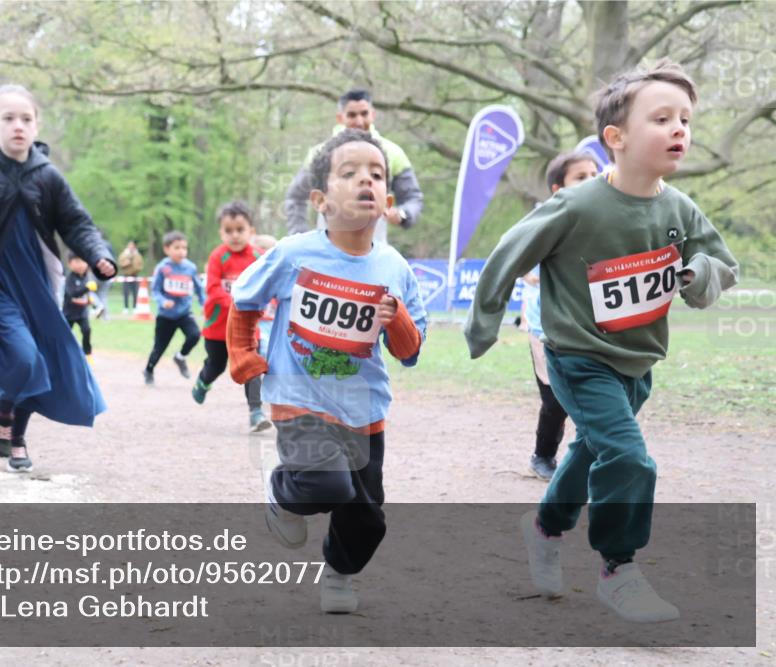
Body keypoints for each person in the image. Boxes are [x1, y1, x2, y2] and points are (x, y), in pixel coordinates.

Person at [464, 60, 738, 623]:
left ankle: (544, 526)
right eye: (661, 118)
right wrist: (484, 324)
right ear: (616, 138)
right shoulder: (576, 204)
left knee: (593, 449)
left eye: (685, 118)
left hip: (637, 361)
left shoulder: (679, 209)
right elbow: (507, 256)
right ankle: (619, 569)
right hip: (578, 356)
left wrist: (695, 275)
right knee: (629, 456)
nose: (679, 129)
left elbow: (722, 265)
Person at [228, 129, 427, 614]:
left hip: (364, 409)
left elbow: (410, 351)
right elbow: (245, 301)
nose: (366, 180)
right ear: (320, 199)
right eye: (350, 172)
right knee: (325, 484)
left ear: (387, 200)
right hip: (299, 398)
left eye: (376, 175)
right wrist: (242, 354)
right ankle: (282, 493)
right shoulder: (295, 253)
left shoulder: (394, 267)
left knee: (367, 518)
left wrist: (395, 317)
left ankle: (339, 574)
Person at [0, 84, 115, 474]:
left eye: (26, 119)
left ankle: (13, 434)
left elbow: (76, 223)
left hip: (39, 281)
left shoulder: (47, 175)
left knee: (42, 358)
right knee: (25, 356)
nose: (18, 126)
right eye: (9, 118)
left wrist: (99, 254)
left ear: (37, 125)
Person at [523, 152, 600, 480]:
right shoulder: (543, 220)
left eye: (595, 174)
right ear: (558, 188)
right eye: (580, 177)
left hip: (589, 325)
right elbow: (519, 261)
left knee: (597, 394)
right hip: (546, 328)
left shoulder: (604, 220)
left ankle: (596, 458)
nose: (591, 181)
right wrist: (534, 271)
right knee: (556, 400)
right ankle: (543, 456)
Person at [283, 89, 423, 245]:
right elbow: (295, 197)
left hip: (375, 250)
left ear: (373, 114)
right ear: (340, 117)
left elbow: (413, 197)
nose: (359, 121)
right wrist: (299, 237)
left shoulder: (393, 153)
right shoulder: (320, 153)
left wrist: (403, 214)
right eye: (352, 115)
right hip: (327, 251)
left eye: (364, 114)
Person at [191, 202, 272, 433]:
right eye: (229, 231)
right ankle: (203, 381)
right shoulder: (218, 257)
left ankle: (256, 413)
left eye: (240, 229)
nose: (235, 235)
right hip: (218, 326)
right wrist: (238, 304)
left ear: (251, 231)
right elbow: (214, 289)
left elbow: (267, 282)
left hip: (247, 326)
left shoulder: (259, 256)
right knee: (216, 365)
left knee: (251, 364)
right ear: (221, 232)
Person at [143, 231, 204, 386]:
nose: (181, 251)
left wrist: (205, 305)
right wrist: (163, 301)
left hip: (184, 313)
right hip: (166, 316)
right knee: (159, 348)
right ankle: (149, 370)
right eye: (177, 248)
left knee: (195, 335)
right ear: (167, 249)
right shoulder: (163, 268)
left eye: (184, 248)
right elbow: (155, 290)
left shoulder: (190, 268)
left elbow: (199, 289)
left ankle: (180, 356)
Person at [63, 252, 94, 361]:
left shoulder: (87, 277)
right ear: (70, 264)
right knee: (65, 335)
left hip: (82, 313)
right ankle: (65, 354)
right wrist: (86, 288)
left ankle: (87, 354)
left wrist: (91, 300)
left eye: (83, 261)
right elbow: (72, 293)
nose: (81, 264)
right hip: (69, 313)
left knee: (87, 330)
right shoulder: (69, 278)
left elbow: (86, 296)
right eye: (77, 261)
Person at [250, 234, 278, 355]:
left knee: (270, 352)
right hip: (257, 322)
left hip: (272, 322)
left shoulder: (277, 271)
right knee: (262, 350)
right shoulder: (252, 272)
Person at [118, 240, 144, 314]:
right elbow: (121, 264)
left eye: (132, 246)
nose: (131, 247)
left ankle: (135, 307)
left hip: (135, 276)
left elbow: (140, 265)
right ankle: (125, 307)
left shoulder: (138, 255)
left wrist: (135, 267)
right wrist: (127, 262)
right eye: (130, 245)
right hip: (126, 276)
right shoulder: (123, 255)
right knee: (126, 292)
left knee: (135, 292)